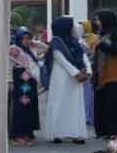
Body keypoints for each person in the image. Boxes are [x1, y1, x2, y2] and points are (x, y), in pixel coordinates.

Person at [45, 16, 90, 144]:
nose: (73, 28)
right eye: (71, 26)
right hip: (61, 79)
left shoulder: (75, 42)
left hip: (75, 80)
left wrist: (87, 71)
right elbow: (61, 59)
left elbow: (83, 57)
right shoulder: (56, 43)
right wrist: (76, 73)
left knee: (75, 106)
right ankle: (58, 133)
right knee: (60, 104)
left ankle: (76, 133)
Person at [8, 30, 41, 146]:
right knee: (20, 107)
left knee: (29, 107)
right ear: (18, 39)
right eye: (24, 38)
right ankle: (17, 135)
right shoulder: (14, 49)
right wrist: (9, 81)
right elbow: (9, 66)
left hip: (30, 82)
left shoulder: (31, 49)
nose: (26, 41)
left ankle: (27, 133)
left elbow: (46, 48)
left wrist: (35, 43)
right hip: (20, 81)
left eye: (28, 38)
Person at [90, 10, 117, 138]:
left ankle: (113, 131)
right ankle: (104, 131)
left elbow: (114, 50)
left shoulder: (115, 33)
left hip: (113, 74)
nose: (97, 22)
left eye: (98, 19)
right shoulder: (102, 34)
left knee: (112, 105)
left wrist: (101, 44)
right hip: (101, 75)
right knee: (102, 103)